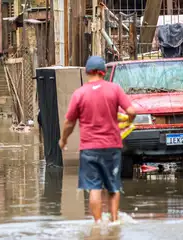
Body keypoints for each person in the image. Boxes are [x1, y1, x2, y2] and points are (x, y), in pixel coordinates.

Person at [59, 56, 136, 224]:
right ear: (104, 72)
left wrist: (63, 140)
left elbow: (69, 122)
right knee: (113, 187)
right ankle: (114, 222)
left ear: (87, 71)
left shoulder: (79, 93)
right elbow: (131, 110)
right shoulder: (114, 89)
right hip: (112, 147)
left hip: (89, 149)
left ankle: (98, 224)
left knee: (94, 188)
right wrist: (128, 122)